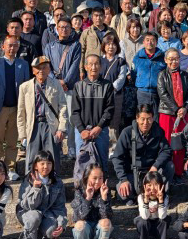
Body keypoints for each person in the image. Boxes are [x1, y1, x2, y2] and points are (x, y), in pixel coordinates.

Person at [0, 36, 30, 180]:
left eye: (15, 46)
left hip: (17, 108)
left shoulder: (23, 64)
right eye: (9, 45)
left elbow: (27, 87)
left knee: (13, 141)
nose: (12, 48)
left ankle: (10, 168)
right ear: (3, 47)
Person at [112, 104, 174, 204]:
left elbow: (167, 150)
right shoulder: (127, 133)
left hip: (151, 173)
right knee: (122, 194)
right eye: (143, 119)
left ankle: (161, 194)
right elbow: (117, 157)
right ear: (137, 118)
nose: (145, 123)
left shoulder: (158, 131)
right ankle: (136, 197)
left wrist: (155, 166)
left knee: (169, 166)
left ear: (153, 118)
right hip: (133, 173)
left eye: (149, 119)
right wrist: (123, 179)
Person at [17, 56, 68, 173]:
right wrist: (22, 135)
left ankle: (53, 181)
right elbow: (21, 113)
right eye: (38, 68)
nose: (41, 70)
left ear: (49, 69)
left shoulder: (56, 84)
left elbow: (63, 107)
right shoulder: (25, 87)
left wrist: (61, 128)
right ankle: (30, 181)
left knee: (52, 157)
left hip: (50, 125)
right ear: (33, 70)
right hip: (33, 125)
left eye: (44, 67)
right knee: (32, 158)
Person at [16, 151, 67, 239]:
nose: (45, 166)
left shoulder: (57, 182)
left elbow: (60, 207)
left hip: (46, 212)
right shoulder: (28, 179)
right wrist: (35, 188)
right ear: (35, 165)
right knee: (34, 218)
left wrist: (61, 224)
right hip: (27, 211)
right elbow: (27, 205)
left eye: (49, 163)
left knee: (51, 231)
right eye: (42, 163)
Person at [45, 16, 81, 159]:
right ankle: (57, 147)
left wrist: (65, 81)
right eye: (61, 27)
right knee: (55, 118)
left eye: (67, 27)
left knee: (71, 118)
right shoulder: (49, 46)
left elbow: (75, 66)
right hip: (54, 87)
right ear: (56, 29)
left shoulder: (76, 45)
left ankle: (71, 147)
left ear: (71, 29)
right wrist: (56, 81)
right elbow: (47, 66)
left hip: (70, 87)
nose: (64, 29)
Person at [72, 54, 115, 173]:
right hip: (82, 132)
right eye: (90, 64)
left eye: (96, 64)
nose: (93, 67)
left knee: (102, 162)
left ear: (100, 66)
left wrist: (99, 127)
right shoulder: (78, 86)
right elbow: (75, 111)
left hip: (101, 130)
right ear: (86, 67)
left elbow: (110, 109)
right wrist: (82, 130)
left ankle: (103, 184)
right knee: (82, 163)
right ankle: (81, 185)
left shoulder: (107, 85)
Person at [158, 48, 188, 183]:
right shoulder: (162, 75)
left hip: (183, 114)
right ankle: (167, 172)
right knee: (167, 143)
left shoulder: (185, 75)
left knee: (180, 143)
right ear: (166, 60)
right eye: (171, 59)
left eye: (176, 58)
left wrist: (185, 108)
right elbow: (162, 94)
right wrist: (177, 109)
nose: (174, 61)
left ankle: (178, 172)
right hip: (167, 114)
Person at [71, 163, 113, 239]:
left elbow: (107, 216)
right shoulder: (79, 191)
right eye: (94, 178)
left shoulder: (105, 190)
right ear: (87, 178)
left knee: (106, 222)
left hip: (99, 225)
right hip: (86, 225)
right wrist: (88, 198)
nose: (98, 181)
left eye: (100, 178)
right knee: (79, 224)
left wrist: (104, 198)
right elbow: (79, 216)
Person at [100, 34, 128, 156]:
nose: (111, 47)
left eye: (113, 44)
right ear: (104, 46)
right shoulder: (99, 60)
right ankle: (102, 146)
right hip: (100, 96)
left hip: (116, 96)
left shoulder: (121, 61)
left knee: (114, 123)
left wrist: (110, 89)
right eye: (108, 44)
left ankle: (113, 149)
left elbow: (121, 78)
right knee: (101, 120)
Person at [135, 171, 171, 239]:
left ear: (161, 185)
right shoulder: (141, 197)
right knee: (141, 221)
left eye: (156, 185)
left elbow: (162, 216)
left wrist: (160, 200)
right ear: (144, 186)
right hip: (146, 224)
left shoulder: (165, 197)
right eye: (149, 185)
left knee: (165, 220)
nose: (153, 188)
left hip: (158, 224)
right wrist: (146, 201)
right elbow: (145, 216)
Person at [133, 31, 166, 116]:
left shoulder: (162, 57)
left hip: (158, 93)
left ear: (156, 42)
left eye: (152, 40)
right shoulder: (138, 57)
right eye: (147, 40)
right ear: (143, 42)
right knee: (143, 116)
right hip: (142, 92)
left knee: (156, 118)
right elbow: (134, 73)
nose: (150, 42)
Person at [79, 7, 118, 78]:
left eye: (101, 15)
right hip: (91, 67)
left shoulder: (111, 32)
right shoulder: (87, 32)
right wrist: (81, 70)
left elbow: (117, 49)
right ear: (92, 17)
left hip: (108, 65)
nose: (98, 18)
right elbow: (82, 51)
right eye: (96, 16)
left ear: (104, 17)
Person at [120, 19, 144, 126]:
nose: (135, 29)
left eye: (137, 27)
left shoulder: (144, 41)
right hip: (128, 80)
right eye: (133, 27)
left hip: (142, 78)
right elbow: (121, 60)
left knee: (141, 109)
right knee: (128, 110)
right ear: (129, 29)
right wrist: (127, 73)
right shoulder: (123, 42)